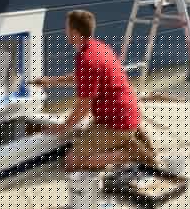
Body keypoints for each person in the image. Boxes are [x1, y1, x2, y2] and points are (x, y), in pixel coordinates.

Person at [29, 10, 157, 172]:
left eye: (67, 28)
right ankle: (127, 140)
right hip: (124, 114)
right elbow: (82, 77)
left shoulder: (87, 60)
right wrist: (52, 81)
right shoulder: (98, 47)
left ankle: (129, 153)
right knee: (85, 140)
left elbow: (83, 108)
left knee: (70, 163)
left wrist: (62, 128)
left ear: (74, 33)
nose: (65, 31)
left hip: (116, 123)